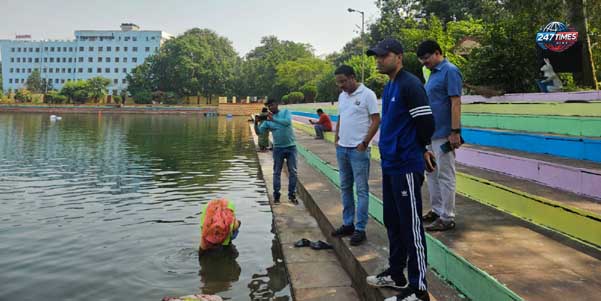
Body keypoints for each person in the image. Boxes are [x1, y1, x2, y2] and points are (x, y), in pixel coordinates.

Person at [365, 38, 436, 301]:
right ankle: (397, 274)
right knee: (393, 221)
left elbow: (426, 122)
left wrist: (422, 148)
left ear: (398, 56)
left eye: (383, 56)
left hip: (406, 164)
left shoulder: (410, 84)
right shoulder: (391, 85)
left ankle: (419, 290)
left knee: (411, 225)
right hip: (391, 164)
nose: (379, 60)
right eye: (377, 57)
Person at [330, 65, 380, 246]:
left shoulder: (368, 94)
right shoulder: (342, 96)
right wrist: (336, 138)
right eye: (338, 82)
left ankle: (360, 229)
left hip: (358, 150)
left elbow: (376, 120)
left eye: (343, 81)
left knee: (361, 190)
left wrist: (365, 142)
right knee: (345, 187)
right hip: (342, 148)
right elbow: (341, 117)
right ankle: (348, 223)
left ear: (352, 77)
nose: (341, 86)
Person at [417, 40, 463, 232]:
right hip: (431, 134)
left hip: (445, 134)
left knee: (445, 174)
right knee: (432, 173)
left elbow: (455, 102)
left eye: (426, 58)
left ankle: (447, 216)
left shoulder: (450, 71)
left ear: (437, 53)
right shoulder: (433, 74)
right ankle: (436, 210)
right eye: (422, 59)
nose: (424, 62)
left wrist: (455, 132)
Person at [254, 99, 298, 204]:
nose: (271, 107)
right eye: (269, 106)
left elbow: (287, 123)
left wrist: (273, 119)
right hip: (278, 149)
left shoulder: (285, 112)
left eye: (272, 105)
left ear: (277, 104)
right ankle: (276, 196)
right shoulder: (267, 121)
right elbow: (259, 132)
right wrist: (256, 123)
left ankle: (292, 195)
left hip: (291, 147)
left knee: (293, 172)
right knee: (276, 172)